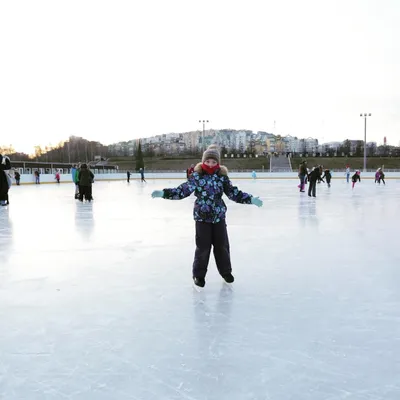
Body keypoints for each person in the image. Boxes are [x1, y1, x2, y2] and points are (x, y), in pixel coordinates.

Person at [151, 145, 263, 288]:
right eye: (208, 161)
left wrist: (251, 199)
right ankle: (199, 275)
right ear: (203, 161)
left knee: (222, 246)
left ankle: (226, 272)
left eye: (214, 162)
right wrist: (164, 193)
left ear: (218, 163)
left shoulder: (222, 178)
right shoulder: (197, 177)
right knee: (202, 247)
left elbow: (234, 193)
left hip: (218, 217)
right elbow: (182, 191)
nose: (211, 164)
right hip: (202, 217)